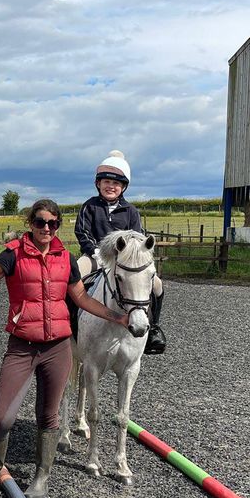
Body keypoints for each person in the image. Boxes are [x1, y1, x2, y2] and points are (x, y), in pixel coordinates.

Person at [0, 199, 140, 498]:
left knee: (48, 415)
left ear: (57, 226)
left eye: (52, 223)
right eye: (40, 222)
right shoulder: (13, 254)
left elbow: (81, 299)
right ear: (31, 223)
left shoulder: (65, 258)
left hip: (58, 347)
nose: (46, 228)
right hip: (22, 347)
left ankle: (42, 475)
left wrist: (117, 317)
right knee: (1, 416)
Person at [73, 149, 166, 353]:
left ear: (123, 187)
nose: (111, 186)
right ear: (98, 184)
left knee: (157, 285)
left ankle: (155, 328)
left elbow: (137, 239)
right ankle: (69, 326)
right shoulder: (89, 206)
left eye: (116, 183)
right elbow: (82, 231)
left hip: (124, 262)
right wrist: (95, 251)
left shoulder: (131, 211)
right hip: (95, 257)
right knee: (73, 277)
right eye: (106, 182)